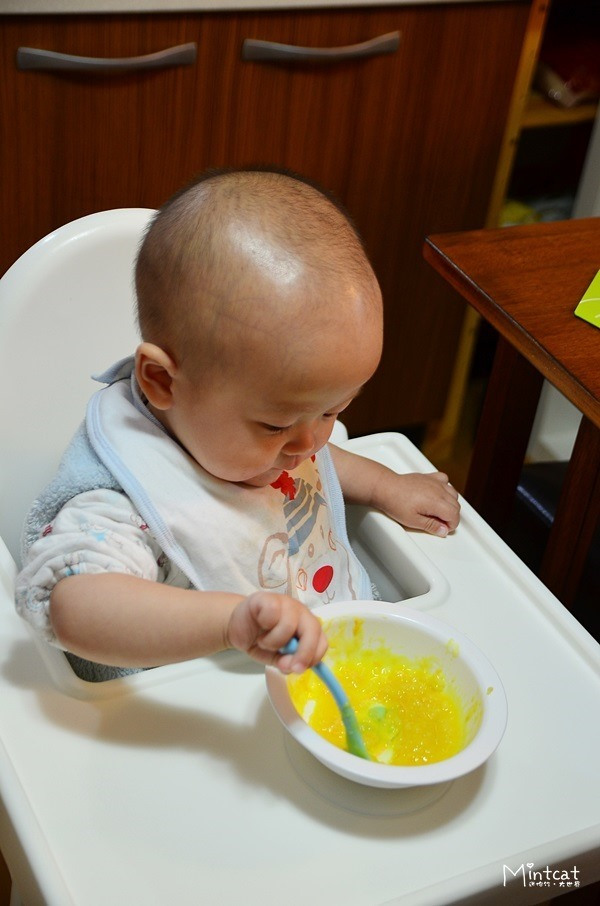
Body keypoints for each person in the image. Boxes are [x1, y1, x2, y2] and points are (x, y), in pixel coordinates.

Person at [15, 168, 460, 682]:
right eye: (275, 425)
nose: (313, 440)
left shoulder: (273, 437)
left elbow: (305, 466)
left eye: (333, 411)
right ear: (161, 381)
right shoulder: (125, 499)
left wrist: (386, 485)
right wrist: (229, 621)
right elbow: (73, 605)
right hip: (192, 713)